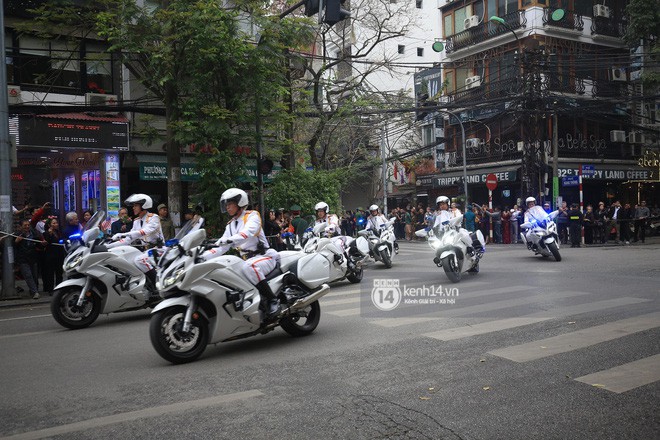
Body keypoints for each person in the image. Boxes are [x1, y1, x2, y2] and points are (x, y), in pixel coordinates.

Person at [201, 188, 281, 319]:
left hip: (264, 257)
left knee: (248, 267)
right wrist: (202, 257)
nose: (227, 207)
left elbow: (247, 233)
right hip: (246, 260)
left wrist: (228, 240)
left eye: (230, 204)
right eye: (226, 204)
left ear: (239, 203)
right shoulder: (230, 225)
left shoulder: (252, 216)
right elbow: (221, 248)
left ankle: (272, 299)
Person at [108, 194, 164, 301]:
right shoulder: (137, 220)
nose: (133, 208)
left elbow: (143, 232)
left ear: (144, 205)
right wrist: (108, 246)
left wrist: (122, 234)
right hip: (145, 250)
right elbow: (129, 239)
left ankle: (157, 285)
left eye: (135, 206)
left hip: (158, 249)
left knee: (139, 260)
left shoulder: (154, 218)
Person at [433, 196, 483, 271]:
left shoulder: (454, 212)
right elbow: (435, 225)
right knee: (436, 244)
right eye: (440, 205)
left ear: (447, 204)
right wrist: (430, 230)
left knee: (463, 234)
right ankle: (439, 258)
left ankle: (471, 249)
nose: (442, 206)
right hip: (444, 234)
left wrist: (453, 222)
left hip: (455, 230)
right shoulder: (438, 215)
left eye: (443, 204)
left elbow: (460, 218)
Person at [14, 219, 44, 299]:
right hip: (23, 259)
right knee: (28, 275)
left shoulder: (34, 234)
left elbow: (38, 245)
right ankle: (35, 292)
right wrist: (16, 242)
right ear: (20, 227)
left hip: (33, 258)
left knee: (34, 276)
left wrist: (43, 244)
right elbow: (12, 247)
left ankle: (33, 290)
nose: (27, 227)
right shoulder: (17, 235)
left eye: (28, 225)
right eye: (25, 225)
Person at [42, 217, 66, 294]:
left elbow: (62, 240)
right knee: (50, 273)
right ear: (49, 225)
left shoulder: (59, 232)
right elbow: (47, 243)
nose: (56, 224)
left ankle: (59, 288)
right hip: (50, 255)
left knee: (59, 273)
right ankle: (50, 289)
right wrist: (49, 234)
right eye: (54, 223)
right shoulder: (46, 233)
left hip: (59, 255)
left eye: (56, 223)